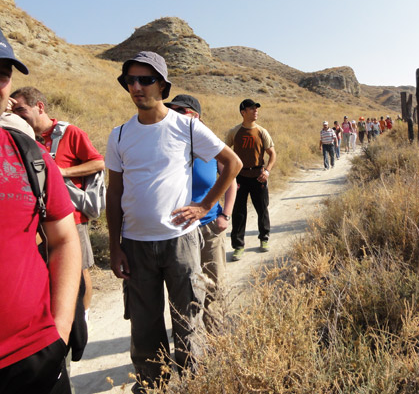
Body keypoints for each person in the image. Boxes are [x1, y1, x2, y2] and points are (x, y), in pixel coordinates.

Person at [105, 51, 242, 392]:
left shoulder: (187, 126)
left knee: (188, 323)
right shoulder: (120, 135)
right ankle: (154, 387)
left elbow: (233, 164)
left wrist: (205, 205)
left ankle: (196, 385)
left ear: (162, 85)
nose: (136, 87)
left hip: (180, 243)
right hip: (136, 246)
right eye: (130, 80)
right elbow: (114, 192)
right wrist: (114, 245)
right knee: (145, 329)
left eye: (145, 80)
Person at [0, 27, 81, 394]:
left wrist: (61, 329)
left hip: (35, 358)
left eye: (1, 73)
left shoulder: (28, 152)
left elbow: (63, 239)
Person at [9, 86, 104, 320]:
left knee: (79, 270)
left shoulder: (69, 133)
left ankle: (83, 319)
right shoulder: (21, 136)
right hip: (39, 221)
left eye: (21, 110)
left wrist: (60, 172)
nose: (18, 116)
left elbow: (98, 163)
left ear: (39, 107)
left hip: (72, 217)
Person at [165, 94, 237, 303]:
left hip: (209, 228)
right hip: (178, 230)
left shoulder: (212, 145)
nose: (174, 115)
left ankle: (216, 333)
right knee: (187, 288)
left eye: (180, 111)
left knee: (214, 288)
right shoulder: (169, 146)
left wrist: (225, 215)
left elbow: (231, 180)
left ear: (195, 116)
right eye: (172, 111)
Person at [226, 99, 276, 261]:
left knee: (262, 209)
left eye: (256, 108)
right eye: (252, 109)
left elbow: (272, 154)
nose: (256, 111)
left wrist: (267, 171)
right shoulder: (234, 132)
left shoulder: (262, 131)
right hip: (239, 177)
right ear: (243, 112)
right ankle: (238, 246)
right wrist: (229, 175)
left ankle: (264, 239)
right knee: (239, 212)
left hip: (258, 176)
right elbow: (224, 153)